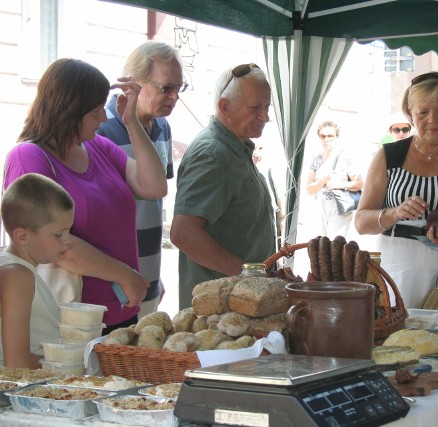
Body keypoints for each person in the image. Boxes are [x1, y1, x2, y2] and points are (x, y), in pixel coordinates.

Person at [3, 58, 168, 334]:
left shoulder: (97, 146)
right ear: (68, 111)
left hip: (120, 306)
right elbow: (46, 239)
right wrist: (125, 275)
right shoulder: (29, 156)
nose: (104, 119)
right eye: (95, 112)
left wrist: (132, 123)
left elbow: (153, 186)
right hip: (70, 317)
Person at [354, 71, 438, 309]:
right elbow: (361, 221)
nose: (433, 120)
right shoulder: (389, 156)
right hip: (399, 269)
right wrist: (395, 213)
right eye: (423, 112)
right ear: (410, 113)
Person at [170, 63, 276, 310]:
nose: (265, 117)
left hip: (239, 303)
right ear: (224, 106)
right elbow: (183, 233)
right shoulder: (213, 153)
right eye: (255, 108)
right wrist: (249, 276)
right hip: (220, 310)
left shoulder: (234, 147)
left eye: (266, 107)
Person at [98, 41, 184, 318]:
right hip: (109, 279)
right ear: (132, 84)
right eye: (166, 88)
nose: (174, 97)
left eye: (178, 88)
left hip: (148, 272)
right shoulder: (99, 127)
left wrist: (155, 277)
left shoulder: (162, 127)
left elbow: (155, 202)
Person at [0, 174, 73, 368]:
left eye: (69, 232)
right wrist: (71, 362)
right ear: (22, 236)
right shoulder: (17, 276)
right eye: (59, 234)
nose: (68, 241)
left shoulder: (22, 271)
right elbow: (16, 364)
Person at [306, 121, 364, 239]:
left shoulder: (346, 158)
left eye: (330, 136)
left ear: (337, 137)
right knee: (319, 247)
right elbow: (309, 189)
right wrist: (323, 180)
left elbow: (360, 183)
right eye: (323, 136)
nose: (326, 139)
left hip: (339, 208)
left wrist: (339, 184)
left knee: (335, 247)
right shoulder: (316, 159)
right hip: (320, 208)